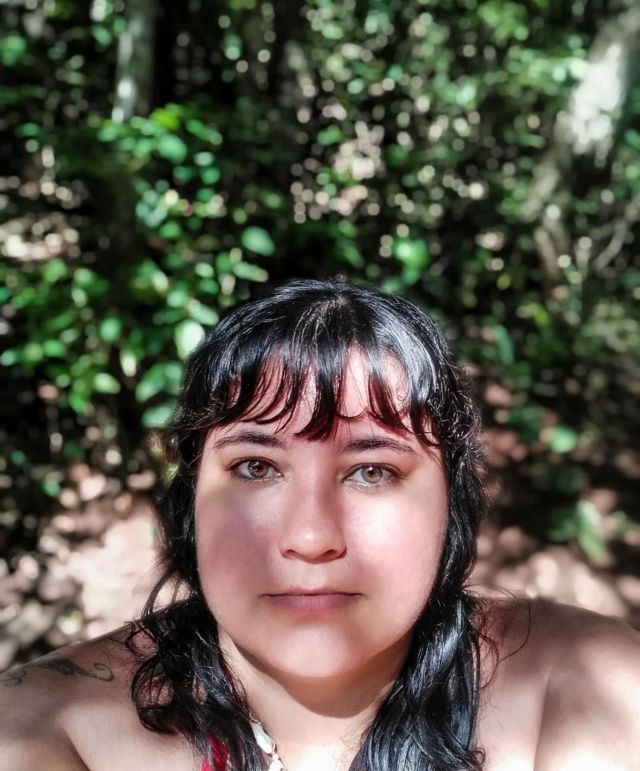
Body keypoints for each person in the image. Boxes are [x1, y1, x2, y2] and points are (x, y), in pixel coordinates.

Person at [1, 278, 638, 771]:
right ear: (190, 495)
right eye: (255, 467)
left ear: (454, 500)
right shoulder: (49, 730)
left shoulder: (578, 687)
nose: (310, 539)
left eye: (372, 472)